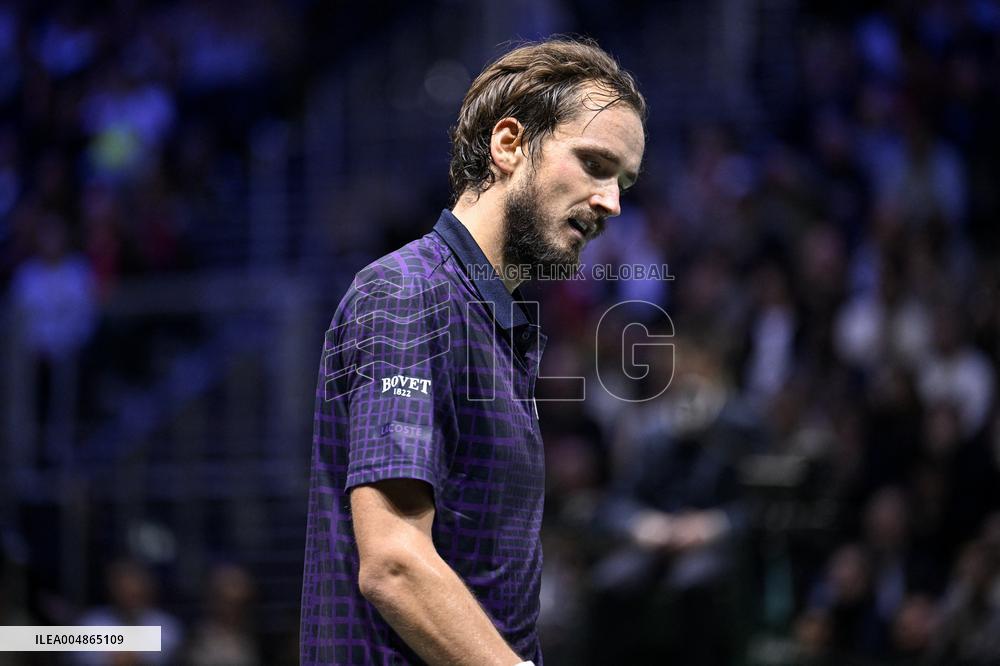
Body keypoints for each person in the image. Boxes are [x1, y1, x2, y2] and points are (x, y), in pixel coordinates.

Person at [300, 37, 646, 665]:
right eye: (595, 165)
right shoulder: (409, 293)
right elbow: (395, 564)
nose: (612, 203)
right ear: (510, 144)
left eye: (623, 182)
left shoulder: (497, 324)